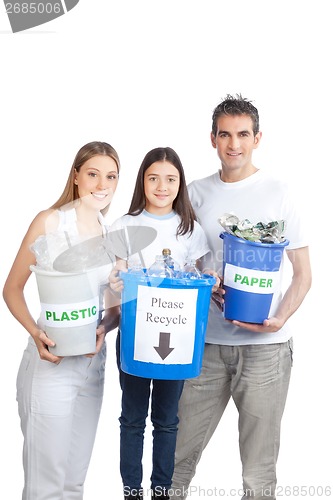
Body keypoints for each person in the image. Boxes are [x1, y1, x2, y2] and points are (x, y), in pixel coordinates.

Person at [170, 95, 312, 500]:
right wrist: (203, 282)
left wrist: (279, 318)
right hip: (206, 346)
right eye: (226, 135)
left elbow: (303, 275)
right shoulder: (194, 194)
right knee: (176, 462)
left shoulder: (280, 193)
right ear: (212, 139)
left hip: (266, 351)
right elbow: (183, 263)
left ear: (258, 138)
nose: (234, 144)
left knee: (258, 474)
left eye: (243, 134)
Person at [2, 141, 121, 500]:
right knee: (45, 485)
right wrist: (36, 334)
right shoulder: (50, 221)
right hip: (50, 362)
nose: (102, 184)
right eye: (93, 174)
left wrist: (105, 328)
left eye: (111, 176)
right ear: (76, 176)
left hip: (90, 364)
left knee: (73, 482)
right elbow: (11, 289)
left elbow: (112, 310)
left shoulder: (110, 233)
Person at [109, 147, 218, 500]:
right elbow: (116, 272)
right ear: (143, 181)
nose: (162, 186)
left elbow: (203, 277)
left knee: (168, 420)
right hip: (136, 334)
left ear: (179, 184)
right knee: (132, 418)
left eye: (171, 179)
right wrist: (116, 279)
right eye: (153, 178)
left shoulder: (190, 229)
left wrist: (211, 280)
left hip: (178, 337)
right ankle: (131, 492)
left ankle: (161, 492)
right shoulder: (125, 225)